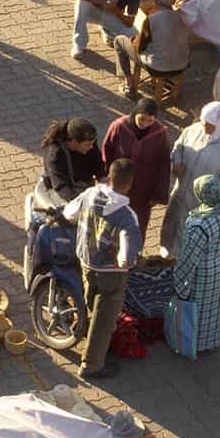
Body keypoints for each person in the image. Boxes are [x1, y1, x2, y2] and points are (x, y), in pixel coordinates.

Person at [63, 158, 142, 380]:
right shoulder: (127, 215)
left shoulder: (89, 194)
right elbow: (126, 254)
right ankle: (92, 365)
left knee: (90, 298)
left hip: (87, 261)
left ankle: (85, 329)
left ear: (110, 175)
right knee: (105, 317)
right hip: (112, 274)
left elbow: (70, 214)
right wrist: (125, 259)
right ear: (129, 184)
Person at [159, 102, 220, 258]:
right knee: (170, 222)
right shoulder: (193, 130)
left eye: (209, 125)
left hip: (199, 204)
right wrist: (176, 162)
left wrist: (215, 200)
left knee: (187, 234)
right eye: (203, 123)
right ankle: (165, 251)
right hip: (180, 190)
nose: (204, 128)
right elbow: (179, 146)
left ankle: (179, 261)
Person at [170, 175, 220, 355]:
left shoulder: (198, 224)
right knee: (216, 306)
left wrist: (179, 284)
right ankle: (213, 340)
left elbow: (189, 260)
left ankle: (195, 344)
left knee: (198, 309)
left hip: (204, 273)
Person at [101, 98, 171, 239]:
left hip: (143, 190)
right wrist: (104, 179)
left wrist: (158, 194)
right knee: (112, 220)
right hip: (117, 185)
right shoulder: (119, 126)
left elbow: (164, 165)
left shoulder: (160, 133)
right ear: (135, 114)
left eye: (150, 121)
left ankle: (134, 254)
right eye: (142, 119)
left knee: (137, 223)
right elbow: (106, 152)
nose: (145, 124)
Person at [112, 0, 190, 99]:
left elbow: (139, 47)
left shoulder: (152, 19)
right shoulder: (182, 17)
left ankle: (128, 83)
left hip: (158, 67)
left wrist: (133, 40)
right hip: (181, 64)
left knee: (119, 41)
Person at [71, 0, 141, 60]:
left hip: (112, 16)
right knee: (81, 2)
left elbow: (130, 22)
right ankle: (78, 44)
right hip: (95, 11)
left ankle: (108, 33)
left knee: (134, 35)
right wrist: (102, 3)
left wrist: (115, 9)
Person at [38, 118, 104, 207]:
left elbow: (97, 163)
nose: (91, 147)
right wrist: (81, 203)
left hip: (83, 187)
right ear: (73, 141)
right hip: (63, 194)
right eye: (87, 145)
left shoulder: (89, 143)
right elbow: (61, 187)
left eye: (92, 143)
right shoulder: (55, 155)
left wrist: (102, 178)